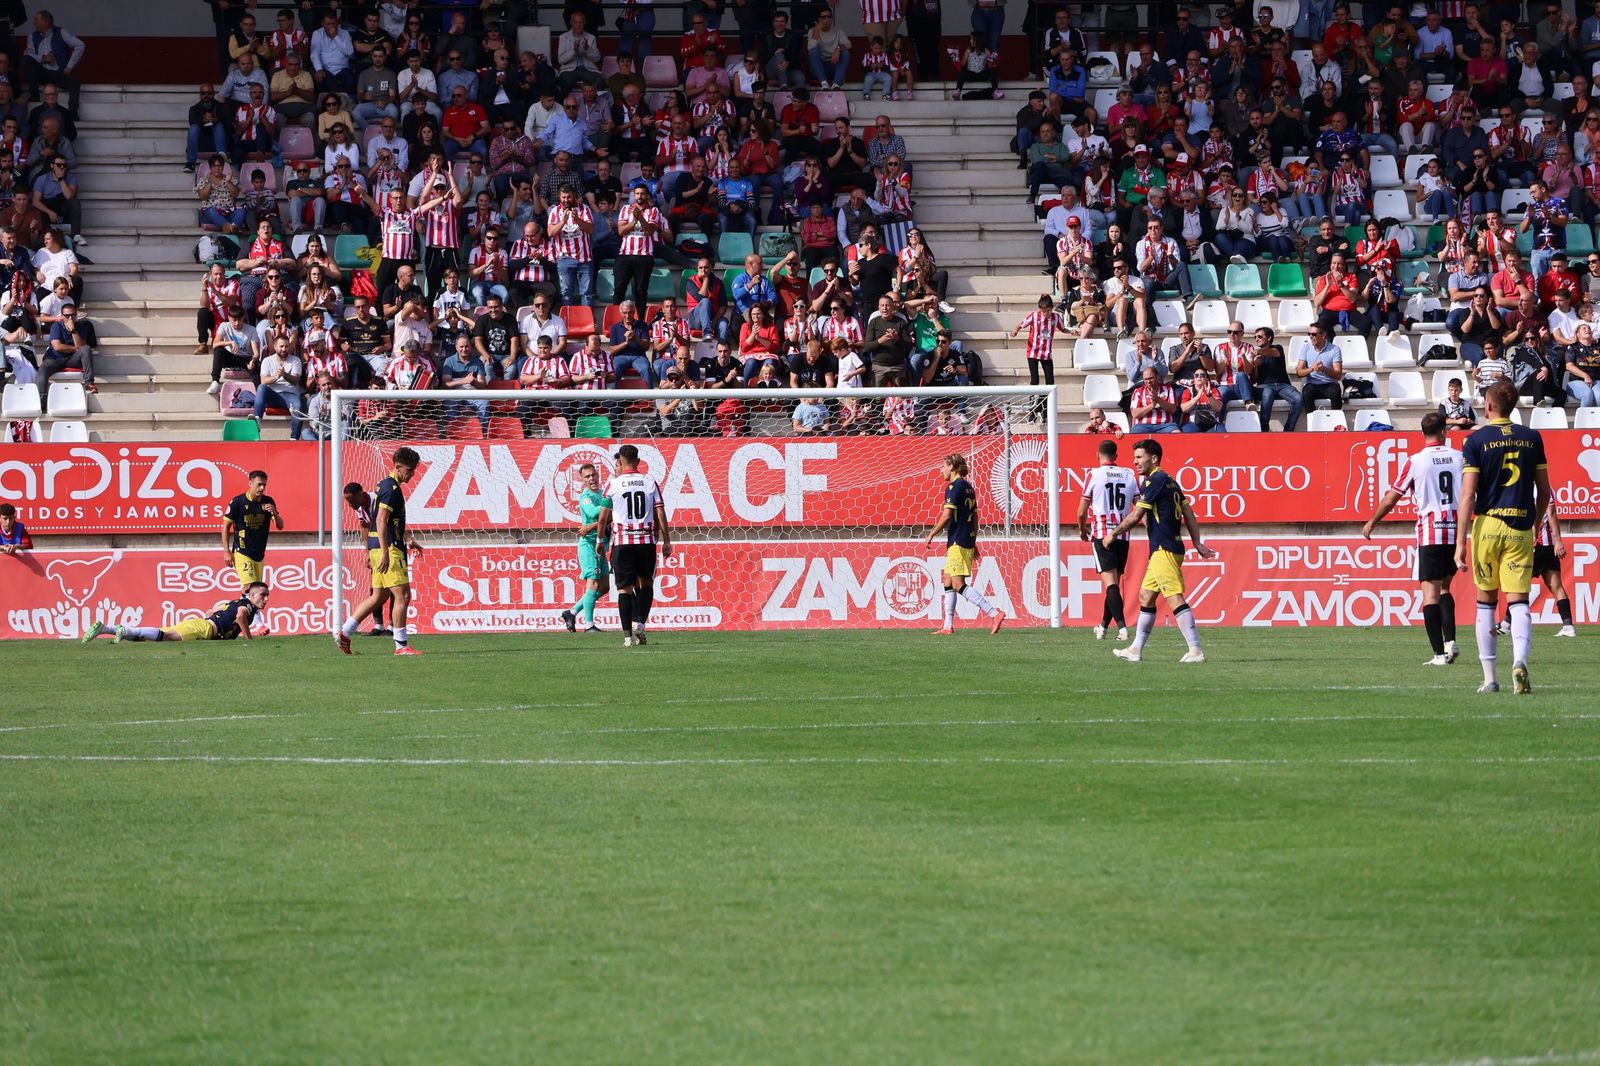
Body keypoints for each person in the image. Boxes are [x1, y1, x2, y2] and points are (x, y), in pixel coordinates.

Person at [1455, 380, 1552, 694]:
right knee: (1519, 601)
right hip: (1521, 526)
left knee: (1486, 603)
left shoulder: (1475, 440)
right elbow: (1545, 492)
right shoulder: (1532, 438)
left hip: (1489, 524)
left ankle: (1490, 679)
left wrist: (1459, 543)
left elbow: (1468, 496)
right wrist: (1535, 523)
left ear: (1489, 406)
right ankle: (1520, 661)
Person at [1361, 412, 1463, 666]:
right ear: (1444, 431)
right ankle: (1450, 641)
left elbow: (1392, 497)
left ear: (1422, 433)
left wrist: (1372, 521)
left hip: (1430, 533)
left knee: (1429, 595)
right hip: (1455, 532)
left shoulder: (1415, 461)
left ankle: (1439, 654)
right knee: (1445, 589)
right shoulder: (1460, 457)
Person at [1106, 438, 1216, 664]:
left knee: (1174, 597)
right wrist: (1196, 542)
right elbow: (1188, 512)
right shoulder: (1171, 482)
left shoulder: (1153, 481)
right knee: (1146, 596)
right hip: (1163, 549)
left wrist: (1113, 534)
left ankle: (1196, 650)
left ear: (1153, 458)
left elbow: (1136, 516)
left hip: (1164, 550)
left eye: (1139, 457)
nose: (1135, 461)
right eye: (1134, 457)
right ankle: (1135, 649)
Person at [338, 447, 424, 655]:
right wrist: (386, 551)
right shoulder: (391, 488)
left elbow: (389, 522)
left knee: (379, 596)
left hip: (380, 546)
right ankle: (401, 645)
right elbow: (381, 520)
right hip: (389, 548)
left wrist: (407, 539)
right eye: (409, 470)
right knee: (403, 594)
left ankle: (345, 631)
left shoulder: (385, 486)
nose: (411, 474)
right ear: (397, 466)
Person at [598, 443, 673, 648]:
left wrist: (599, 540)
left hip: (622, 543)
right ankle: (640, 623)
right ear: (638, 461)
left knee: (624, 590)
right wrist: (667, 541)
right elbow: (660, 512)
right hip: (646, 542)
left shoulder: (612, 485)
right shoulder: (649, 482)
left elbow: (603, 519)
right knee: (646, 583)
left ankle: (627, 638)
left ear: (620, 462)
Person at [923, 453, 1004, 635]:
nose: (941, 470)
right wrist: (973, 540)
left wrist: (931, 534)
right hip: (964, 539)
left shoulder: (953, 486)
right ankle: (947, 626)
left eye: (943, 466)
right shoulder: (969, 487)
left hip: (958, 541)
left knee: (958, 584)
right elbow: (975, 517)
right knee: (948, 580)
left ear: (952, 467)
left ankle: (994, 613)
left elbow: (947, 515)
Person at [84, 583, 271, 645]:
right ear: (252, 595)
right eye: (263, 595)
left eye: (267, 596)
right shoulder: (246, 606)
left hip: (200, 625)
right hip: (204, 629)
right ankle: (122, 631)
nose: (266, 599)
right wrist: (248, 639)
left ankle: (104, 628)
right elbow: (240, 616)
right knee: (164, 636)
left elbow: (210, 611)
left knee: (152, 637)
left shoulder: (234, 601)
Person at [1078, 439, 1135, 641]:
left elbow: (1081, 511)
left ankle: (1122, 629)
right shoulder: (1129, 474)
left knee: (1111, 585)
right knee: (1114, 587)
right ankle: (1102, 627)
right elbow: (1139, 507)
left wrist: (1082, 530)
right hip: (1123, 534)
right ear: (1116, 456)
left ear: (1098, 454)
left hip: (1102, 534)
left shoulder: (1093, 475)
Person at [559, 462, 612, 635]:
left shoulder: (602, 493)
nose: (592, 479)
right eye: (587, 477)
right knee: (593, 584)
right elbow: (594, 512)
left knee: (604, 587)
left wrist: (593, 525)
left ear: (598, 475)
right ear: (582, 480)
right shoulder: (586, 497)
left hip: (602, 544)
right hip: (590, 545)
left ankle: (571, 612)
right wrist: (611, 504)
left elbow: (607, 518)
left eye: (593, 475)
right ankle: (589, 625)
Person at [341, 481, 394, 637]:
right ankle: (378, 625)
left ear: (361, 494)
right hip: (376, 549)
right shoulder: (360, 508)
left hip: (390, 546)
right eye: (347, 501)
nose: (349, 504)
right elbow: (364, 526)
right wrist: (367, 551)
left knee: (394, 587)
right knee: (375, 587)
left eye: (351, 500)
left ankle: (392, 627)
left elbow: (387, 523)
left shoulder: (377, 501)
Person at [222, 470, 282, 590]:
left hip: (259, 553)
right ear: (250, 483)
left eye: (264, 485)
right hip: (242, 551)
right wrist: (227, 552)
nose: (261, 488)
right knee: (250, 587)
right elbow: (225, 526)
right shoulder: (238, 502)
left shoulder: (268, 501)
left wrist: (274, 513)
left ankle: (242, 608)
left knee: (256, 590)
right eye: (259, 484)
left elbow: (280, 526)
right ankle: (242, 609)